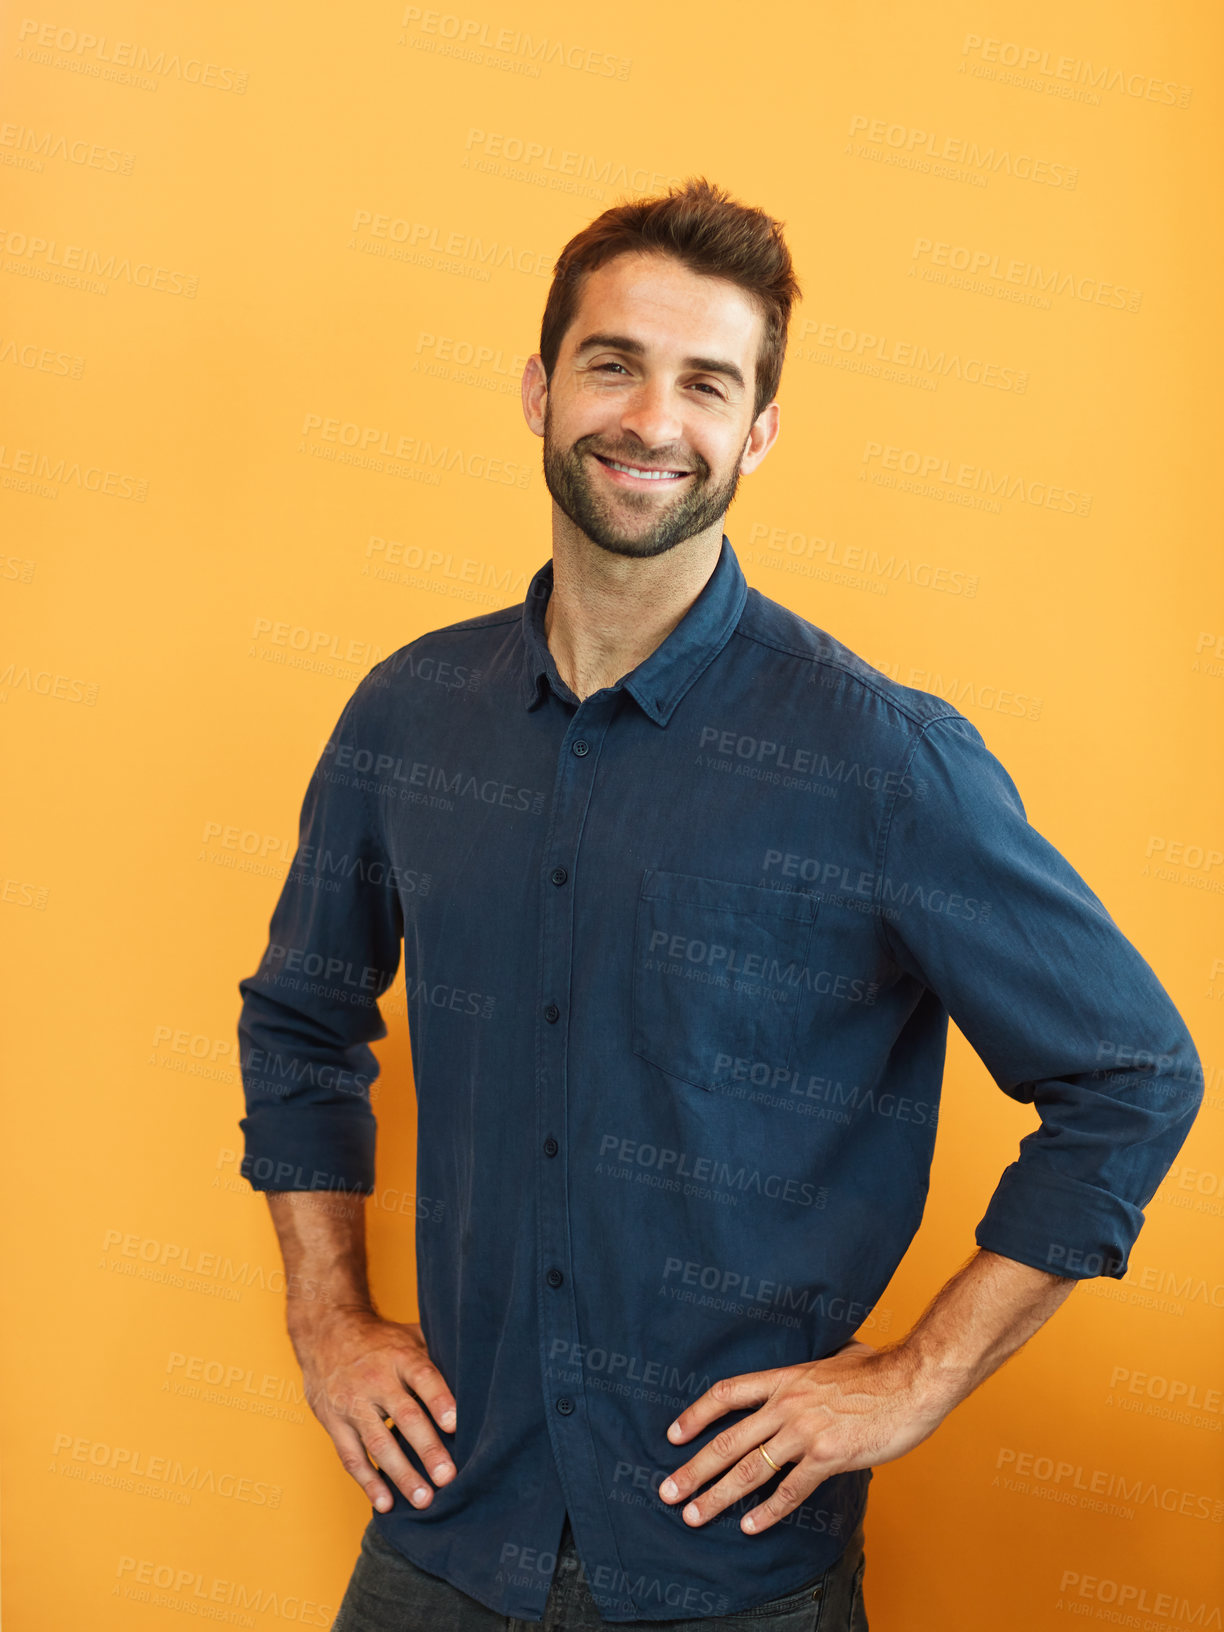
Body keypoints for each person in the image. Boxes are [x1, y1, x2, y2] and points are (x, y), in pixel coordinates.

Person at [235, 178, 1203, 1630]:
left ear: (756, 433)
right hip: (439, 1545)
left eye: (707, 382)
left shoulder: (881, 759)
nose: (650, 419)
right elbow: (302, 1021)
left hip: (733, 1578)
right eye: (612, 362)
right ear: (538, 387)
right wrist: (328, 1316)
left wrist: (914, 1378)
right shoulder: (410, 713)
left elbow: (1131, 1076)